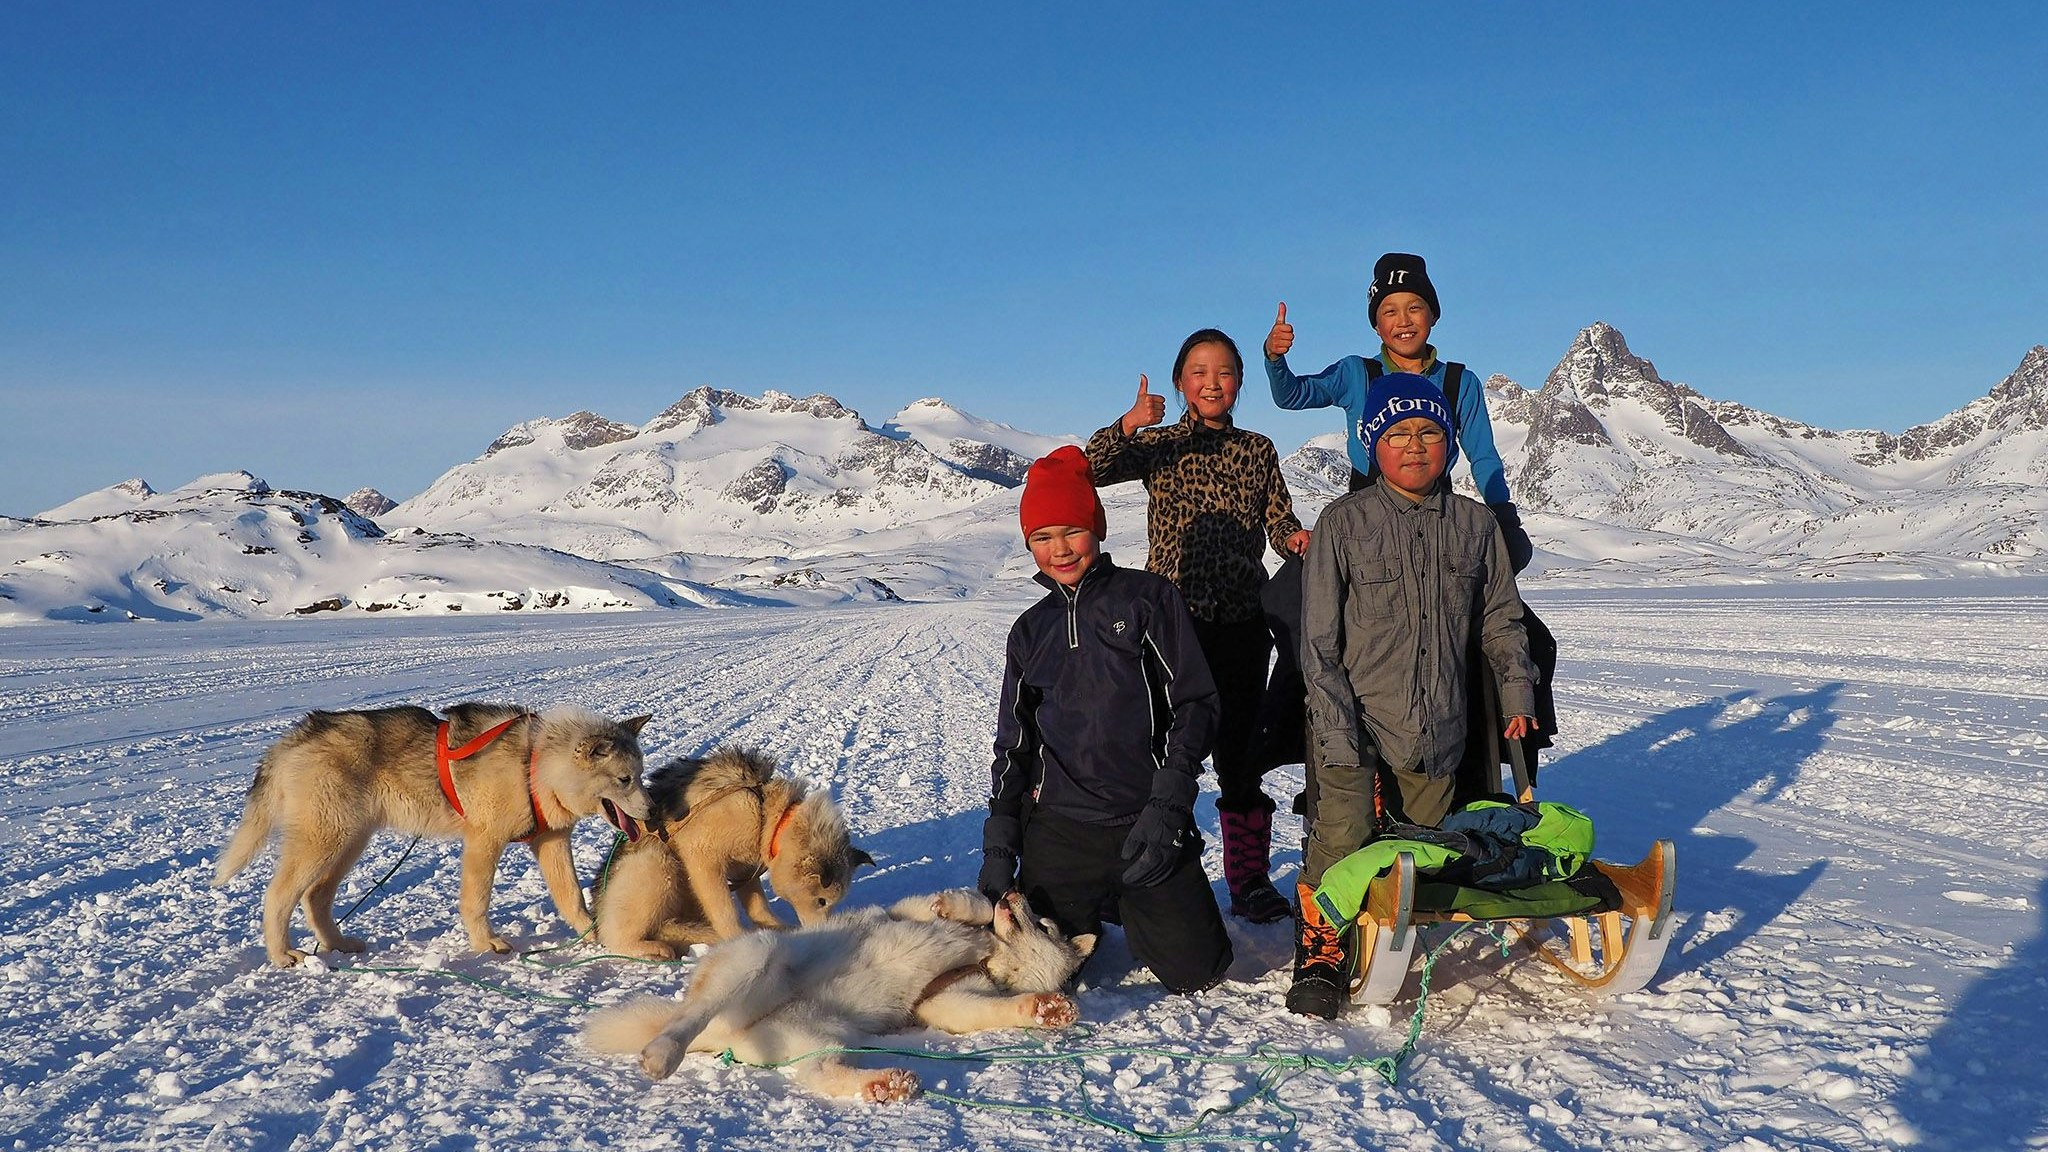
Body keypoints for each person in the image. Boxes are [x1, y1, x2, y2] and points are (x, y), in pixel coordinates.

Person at [1287, 373, 1540, 1019]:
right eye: (1398, 433)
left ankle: (1388, 917)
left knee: (1418, 845)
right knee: (1341, 835)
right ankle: (1320, 948)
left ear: (1449, 442)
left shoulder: (1476, 525)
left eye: (1429, 431)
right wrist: (1338, 732)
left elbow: (1500, 619)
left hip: (1438, 728)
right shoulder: (1343, 523)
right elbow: (1316, 643)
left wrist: (1517, 695)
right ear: (1373, 444)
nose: (1415, 445)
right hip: (1356, 718)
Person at [977, 446, 1234, 994]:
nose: (1059, 549)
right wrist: (1000, 845)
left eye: (1071, 530)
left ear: (1096, 528)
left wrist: (1169, 804)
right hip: (1061, 833)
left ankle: (1128, 905)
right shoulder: (1029, 630)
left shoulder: (1148, 599)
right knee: (1039, 978)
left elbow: (1196, 705)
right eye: (1041, 538)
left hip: (1144, 821)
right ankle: (1090, 904)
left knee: (1198, 971)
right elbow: (1015, 743)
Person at [1083, 328, 1309, 925]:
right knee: (1156, 751)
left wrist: (1297, 540)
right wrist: (1129, 423)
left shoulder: (1259, 450)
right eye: (1199, 372)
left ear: (1239, 382)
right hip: (1169, 626)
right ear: (1181, 383)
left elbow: (1279, 521)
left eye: (1226, 371)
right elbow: (1090, 468)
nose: (1213, 382)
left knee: (1239, 756)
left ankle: (1250, 881)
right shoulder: (1160, 447)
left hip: (1240, 624)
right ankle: (1140, 873)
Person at [1263, 251, 1532, 569]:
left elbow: (1484, 457)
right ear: (1376, 325)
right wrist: (1275, 358)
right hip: (1364, 522)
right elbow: (1291, 396)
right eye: (1389, 311)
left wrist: (1504, 518)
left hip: (1437, 520)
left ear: (1433, 315)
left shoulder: (1460, 383)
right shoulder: (1356, 374)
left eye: (1415, 308)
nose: (1403, 321)